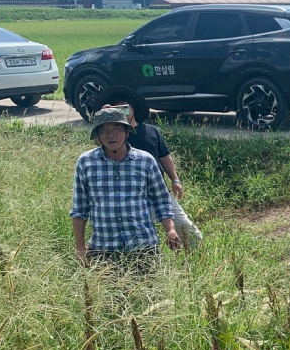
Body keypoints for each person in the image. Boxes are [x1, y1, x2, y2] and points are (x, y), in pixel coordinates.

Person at [70, 106, 181, 270]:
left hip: (143, 247)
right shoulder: (86, 162)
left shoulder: (145, 161)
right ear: (98, 136)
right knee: (107, 295)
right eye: (104, 130)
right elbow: (80, 208)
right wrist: (80, 247)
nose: (111, 135)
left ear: (127, 132)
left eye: (117, 129)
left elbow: (161, 201)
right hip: (103, 249)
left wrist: (170, 230)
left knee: (149, 294)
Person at [93, 87, 203, 249]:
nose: (122, 111)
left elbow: (164, 156)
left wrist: (175, 179)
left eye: (125, 107)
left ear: (133, 108)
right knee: (142, 240)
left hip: (159, 192)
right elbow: (98, 142)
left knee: (189, 231)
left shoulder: (151, 131)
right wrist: (104, 117)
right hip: (131, 195)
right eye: (117, 109)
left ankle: (192, 261)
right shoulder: (112, 136)